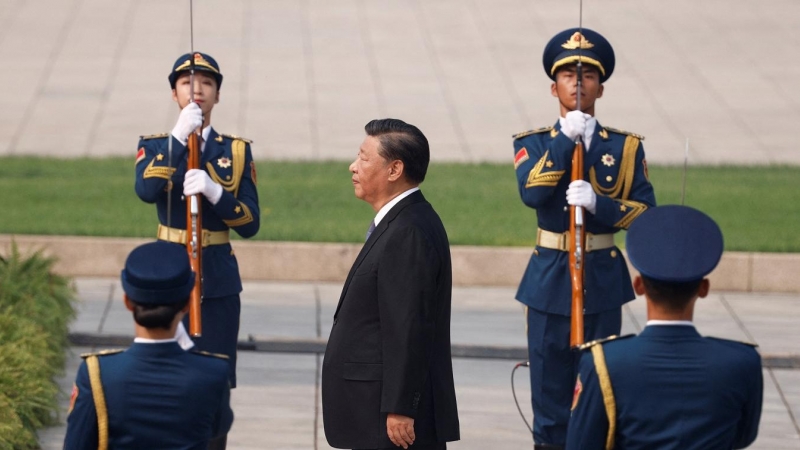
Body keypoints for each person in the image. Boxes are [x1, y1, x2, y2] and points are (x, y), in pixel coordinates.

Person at [512, 28, 656, 449]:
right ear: (553, 86)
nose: (578, 83)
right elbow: (533, 193)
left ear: (601, 87)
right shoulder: (534, 143)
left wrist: (602, 205)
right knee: (549, 393)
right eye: (569, 75)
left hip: (603, 279)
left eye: (588, 75)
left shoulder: (626, 148)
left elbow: (646, 214)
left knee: (599, 389)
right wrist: (564, 139)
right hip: (549, 280)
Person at [566, 205, 763, 449]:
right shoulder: (742, 362)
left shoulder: (603, 362)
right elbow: (742, 437)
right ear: (704, 288)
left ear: (638, 286)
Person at [322, 119, 460, 450]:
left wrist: (400, 407)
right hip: (376, 413)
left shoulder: (408, 232)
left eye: (364, 158)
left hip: (391, 422)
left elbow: (408, 325)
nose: (353, 167)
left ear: (394, 169)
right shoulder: (401, 222)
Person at [134, 52, 260, 393]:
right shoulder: (156, 145)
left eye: (206, 83)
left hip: (216, 277)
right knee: (165, 378)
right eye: (186, 83)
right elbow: (146, 190)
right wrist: (177, 138)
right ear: (174, 94)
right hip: (168, 272)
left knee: (215, 378)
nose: (196, 90)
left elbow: (250, 224)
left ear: (218, 95)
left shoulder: (235, 152)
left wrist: (216, 193)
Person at [63, 241, 233, 449]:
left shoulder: (98, 373)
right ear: (188, 304)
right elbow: (216, 429)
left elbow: (76, 444)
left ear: (127, 301)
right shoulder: (213, 373)